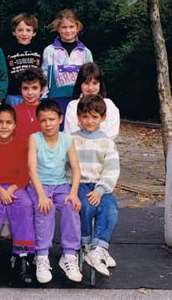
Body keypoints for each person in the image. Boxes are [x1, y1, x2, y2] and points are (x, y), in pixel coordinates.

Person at [0, 104, 35, 285]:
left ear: (15, 124)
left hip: (16, 187)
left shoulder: (21, 144)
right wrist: (0, 190)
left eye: (8, 122)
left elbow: (25, 173)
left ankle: (22, 257)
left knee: (24, 204)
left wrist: (11, 189)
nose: (4, 126)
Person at [27, 99, 82, 284]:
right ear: (38, 121)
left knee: (71, 207)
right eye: (43, 120)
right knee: (45, 209)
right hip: (39, 184)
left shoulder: (67, 140)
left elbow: (75, 168)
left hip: (60, 185)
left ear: (60, 119)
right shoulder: (34, 139)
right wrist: (41, 195)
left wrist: (73, 193)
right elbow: (32, 169)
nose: (48, 124)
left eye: (52, 119)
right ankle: (41, 256)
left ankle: (69, 254)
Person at [71, 95, 120, 277]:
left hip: (100, 185)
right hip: (79, 183)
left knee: (110, 208)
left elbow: (111, 169)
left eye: (94, 117)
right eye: (85, 117)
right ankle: (85, 244)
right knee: (85, 206)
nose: (89, 121)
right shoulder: (71, 140)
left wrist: (100, 189)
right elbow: (67, 167)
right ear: (78, 117)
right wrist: (73, 187)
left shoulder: (107, 142)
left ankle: (98, 247)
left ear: (103, 118)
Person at [42, 9, 93, 117]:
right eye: (64, 27)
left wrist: (89, 97)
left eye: (71, 26)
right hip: (55, 98)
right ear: (58, 28)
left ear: (77, 27)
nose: (68, 30)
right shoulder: (49, 51)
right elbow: (44, 74)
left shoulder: (85, 52)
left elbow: (91, 77)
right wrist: (44, 96)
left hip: (79, 99)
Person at [64, 62, 120, 140]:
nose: (90, 88)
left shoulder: (109, 105)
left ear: (100, 84)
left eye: (95, 83)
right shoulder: (73, 106)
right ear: (80, 84)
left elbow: (112, 133)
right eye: (86, 83)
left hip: (103, 148)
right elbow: (70, 133)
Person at [3, 13, 42, 107]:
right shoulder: (7, 50)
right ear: (14, 32)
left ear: (34, 33)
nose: (24, 34)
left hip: (34, 94)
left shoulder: (40, 49)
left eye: (28, 30)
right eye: (20, 30)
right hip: (13, 95)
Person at [14, 67, 47, 140]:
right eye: (25, 88)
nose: (30, 92)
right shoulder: (14, 111)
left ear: (42, 89)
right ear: (20, 89)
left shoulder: (48, 111)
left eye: (34, 88)